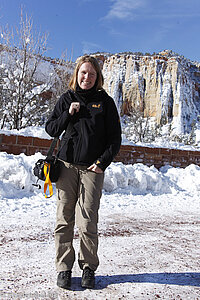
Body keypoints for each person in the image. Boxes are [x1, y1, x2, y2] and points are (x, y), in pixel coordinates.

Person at [45, 55, 121, 289]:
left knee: (88, 221)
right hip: (66, 167)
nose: (86, 77)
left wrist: (102, 162)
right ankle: (64, 268)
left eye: (91, 73)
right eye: (83, 72)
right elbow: (51, 129)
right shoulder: (67, 98)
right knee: (64, 219)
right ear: (76, 74)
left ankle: (88, 267)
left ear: (97, 77)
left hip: (92, 169)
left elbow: (114, 139)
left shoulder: (105, 102)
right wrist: (68, 113)